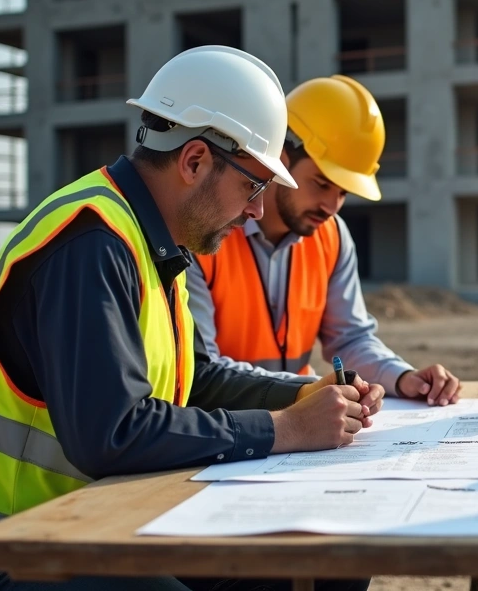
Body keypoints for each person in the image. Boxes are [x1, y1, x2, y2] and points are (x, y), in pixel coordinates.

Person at [0, 46, 378, 591]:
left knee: (323, 563)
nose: (256, 211)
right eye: (253, 186)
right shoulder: (90, 244)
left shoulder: (152, 243)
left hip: (90, 519)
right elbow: (113, 433)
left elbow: (198, 378)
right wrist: (285, 429)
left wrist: (300, 395)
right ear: (194, 160)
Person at [187, 74, 462, 406]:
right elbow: (202, 369)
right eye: (321, 183)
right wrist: (311, 390)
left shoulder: (331, 236)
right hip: (222, 421)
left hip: (295, 425)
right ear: (280, 159)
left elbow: (349, 340)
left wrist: (403, 378)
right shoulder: (204, 234)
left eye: (343, 192)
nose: (331, 206)